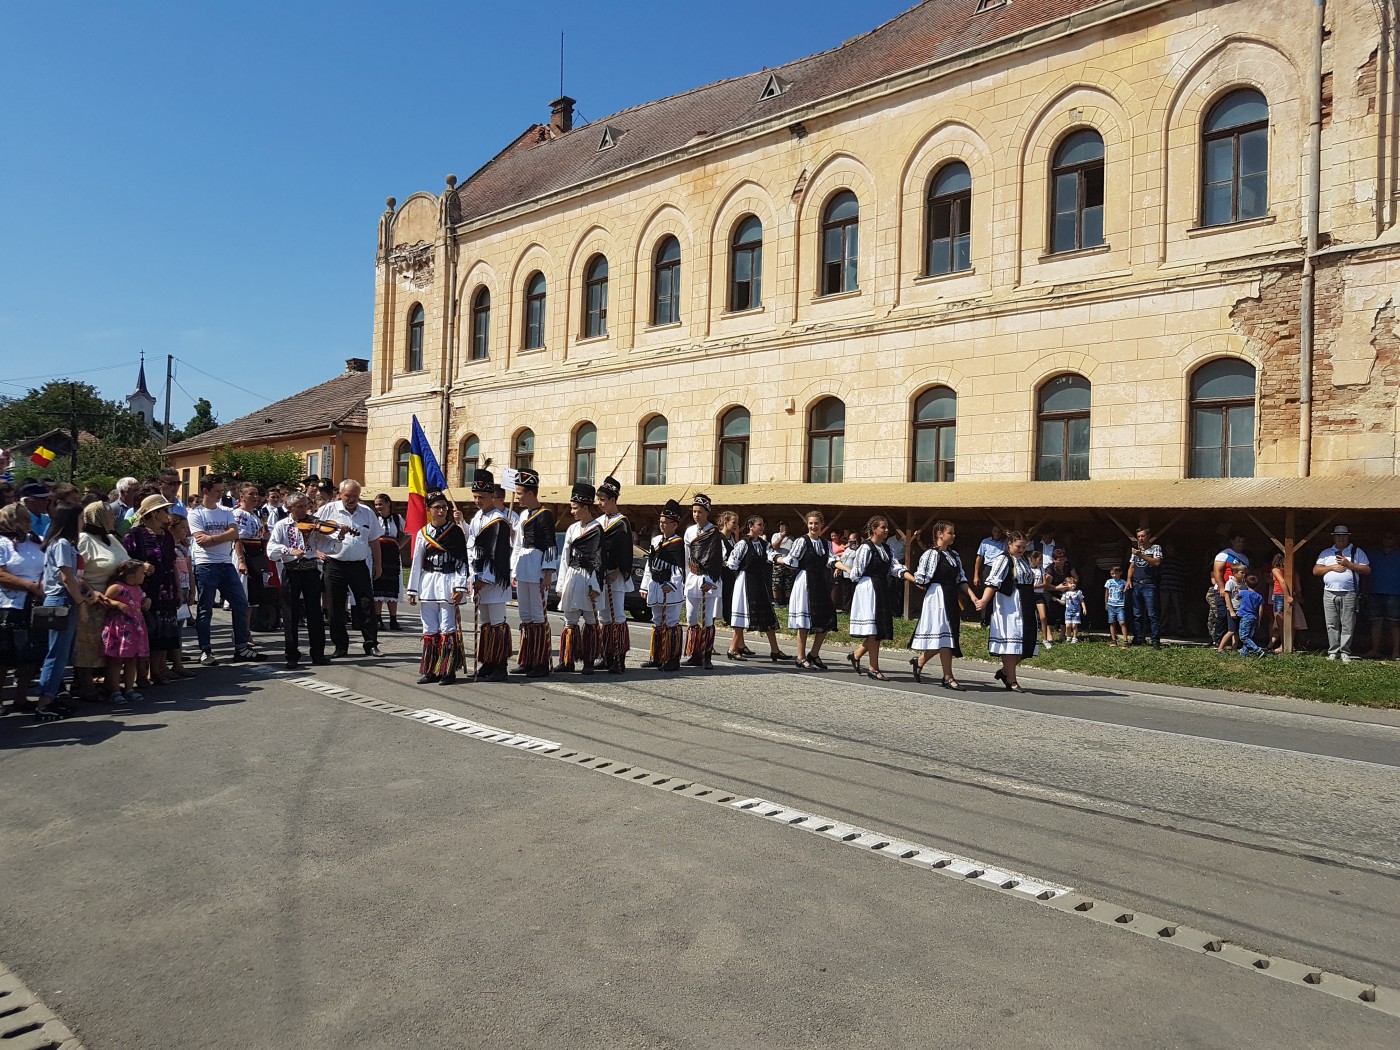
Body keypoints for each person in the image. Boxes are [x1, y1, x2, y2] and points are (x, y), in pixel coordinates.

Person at [188, 476, 263, 665]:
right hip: (205, 565)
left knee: (241, 604)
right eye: (217, 491)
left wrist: (212, 538)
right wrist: (224, 536)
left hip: (226, 563)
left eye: (222, 491)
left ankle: (241, 647)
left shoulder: (227, 511)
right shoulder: (196, 514)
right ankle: (205, 650)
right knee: (205, 609)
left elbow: (234, 534)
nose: (221, 494)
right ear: (206, 491)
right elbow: (201, 541)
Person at [35, 505, 101, 721]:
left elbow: (74, 577)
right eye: (80, 518)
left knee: (63, 653)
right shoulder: (62, 543)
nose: (83, 522)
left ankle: (51, 696)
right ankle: (44, 702)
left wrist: (87, 592)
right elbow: (66, 577)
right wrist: (81, 603)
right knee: (57, 653)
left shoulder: (65, 544)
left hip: (67, 598)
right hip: (62, 600)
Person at [267, 493, 346, 670]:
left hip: (311, 571)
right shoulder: (282, 525)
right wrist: (289, 551)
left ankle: (318, 654)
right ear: (290, 508)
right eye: (300, 506)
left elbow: (330, 547)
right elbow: (271, 550)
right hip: (291, 571)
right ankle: (291, 655)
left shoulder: (315, 525)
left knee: (315, 613)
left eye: (306, 506)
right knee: (290, 614)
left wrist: (340, 536)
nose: (305, 510)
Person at [404, 492, 468, 684]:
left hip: (449, 581)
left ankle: (447, 670)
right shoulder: (423, 534)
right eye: (437, 507)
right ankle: (431, 669)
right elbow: (417, 562)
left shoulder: (455, 532)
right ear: (429, 510)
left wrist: (460, 586)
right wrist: (412, 590)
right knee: (429, 627)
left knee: (447, 627)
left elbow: (462, 561)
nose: (441, 511)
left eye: (444, 507)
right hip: (429, 583)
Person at [843, 515, 915, 681]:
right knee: (874, 630)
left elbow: (895, 568)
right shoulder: (866, 548)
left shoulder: (887, 549)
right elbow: (856, 573)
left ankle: (856, 655)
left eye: (887, 527)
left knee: (877, 629)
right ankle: (873, 668)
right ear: (874, 529)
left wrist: (913, 579)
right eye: (883, 527)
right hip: (868, 589)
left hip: (881, 588)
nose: (886, 530)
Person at [319, 480, 384, 658]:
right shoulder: (328, 509)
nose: (351, 499)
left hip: (358, 565)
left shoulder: (367, 512)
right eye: (348, 495)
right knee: (336, 607)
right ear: (340, 494)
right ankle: (340, 646)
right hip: (335, 565)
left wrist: (378, 564)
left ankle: (371, 644)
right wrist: (318, 551)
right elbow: (315, 531)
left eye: (355, 496)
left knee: (366, 605)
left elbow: (374, 540)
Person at [124, 494, 186, 682]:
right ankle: (143, 674)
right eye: (163, 510)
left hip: (167, 587)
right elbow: (126, 562)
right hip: (147, 588)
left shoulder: (166, 535)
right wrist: (141, 566)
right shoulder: (135, 535)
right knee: (150, 631)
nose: (167, 513)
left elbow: (172, 563)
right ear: (153, 513)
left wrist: (179, 589)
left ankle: (158, 670)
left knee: (166, 632)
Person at [74, 502, 132, 698]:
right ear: (97, 517)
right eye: (109, 515)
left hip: (114, 600)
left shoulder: (111, 539)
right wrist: (90, 593)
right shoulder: (84, 540)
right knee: (87, 644)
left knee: (107, 644)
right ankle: (85, 687)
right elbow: (76, 572)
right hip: (93, 599)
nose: (113, 518)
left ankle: (108, 683)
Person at [910, 520, 975, 689]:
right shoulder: (931, 554)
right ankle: (946, 676)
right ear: (940, 534)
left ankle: (941, 672)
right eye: (950, 533)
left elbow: (961, 579)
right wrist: (922, 581)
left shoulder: (954, 555)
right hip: (937, 596)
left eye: (953, 533)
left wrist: (973, 596)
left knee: (948, 636)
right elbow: (921, 578)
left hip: (950, 595)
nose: (953, 536)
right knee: (943, 635)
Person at [975, 531, 1037, 692]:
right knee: (1011, 642)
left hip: (1025, 603)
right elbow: (993, 581)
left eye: (1024, 547)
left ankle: (1004, 672)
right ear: (1009, 544)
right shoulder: (1003, 559)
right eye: (1018, 546)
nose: (1021, 549)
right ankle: (1012, 680)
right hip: (1009, 604)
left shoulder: (1024, 559)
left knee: (1024, 643)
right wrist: (984, 600)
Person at [509, 469, 557, 678]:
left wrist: (548, 573)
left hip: (537, 566)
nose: (517, 497)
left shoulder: (545, 514)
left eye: (520, 493)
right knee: (525, 615)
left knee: (538, 615)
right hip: (523, 567)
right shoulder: (522, 515)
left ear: (530, 493)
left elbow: (551, 545)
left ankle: (541, 662)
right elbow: (518, 545)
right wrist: (514, 570)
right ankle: (527, 658)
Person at [468, 469, 514, 682]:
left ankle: (500, 664)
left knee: (496, 622)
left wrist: (484, 578)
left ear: (491, 497)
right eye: (475, 497)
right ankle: (488, 660)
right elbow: (471, 548)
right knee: (485, 622)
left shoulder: (498, 520)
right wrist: (472, 576)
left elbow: (497, 554)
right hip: (478, 577)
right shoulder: (477, 517)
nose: (478, 501)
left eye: (482, 497)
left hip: (494, 580)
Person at [724, 515, 789, 662]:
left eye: (762, 525)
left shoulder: (763, 544)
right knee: (743, 614)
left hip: (759, 581)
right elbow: (733, 563)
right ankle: (732, 649)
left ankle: (775, 650)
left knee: (767, 614)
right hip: (745, 582)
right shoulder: (743, 543)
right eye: (759, 525)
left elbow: (772, 555)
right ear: (751, 526)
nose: (762, 527)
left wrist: (784, 560)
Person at [0, 504, 45, 712]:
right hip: (8, 605)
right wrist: (30, 586)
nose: (28, 521)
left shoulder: (36, 541)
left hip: (35, 604)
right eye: (22, 518)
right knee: (4, 656)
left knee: (30, 654)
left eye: (28, 517)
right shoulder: (2, 543)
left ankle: (21, 697)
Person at [555, 483, 603, 674]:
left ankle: (589, 660)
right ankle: (567, 659)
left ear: (585, 507)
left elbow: (599, 560)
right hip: (573, 576)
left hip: (589, 578)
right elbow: (565, 559)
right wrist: (561, 584)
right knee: (570, 619)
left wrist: (595, 586)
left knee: (590, 618)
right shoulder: (572, 529)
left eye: (575, 508)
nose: (572, 511)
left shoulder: (597, 529)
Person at [782, 510, 837, 671]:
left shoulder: (826, 544)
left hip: (820, 581)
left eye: (816, 523)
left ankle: (813, 654)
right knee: (804, 622)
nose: (813, 526)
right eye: (811, 523)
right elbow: (791, 560)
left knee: (828, 618)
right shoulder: (802, 541)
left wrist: (847, 568)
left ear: (822, 525)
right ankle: (800, 657)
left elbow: (833, 560)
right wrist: (778, 559)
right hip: (805, 581)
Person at [641, 501, 686, 672]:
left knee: (671, 622)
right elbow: (650, 564)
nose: (662, 525)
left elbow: (680, 567)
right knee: (657, 620)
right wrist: (645, 586)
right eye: (661, 522)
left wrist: (672, 584)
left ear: (675, 525)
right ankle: (657, 656)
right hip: (655, 585)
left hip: (669, 587)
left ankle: (672, 658)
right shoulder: (655, 540)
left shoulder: (678, 543)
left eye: (666, 523)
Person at [1314, 525, 1370, 663]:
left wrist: (1348, 564)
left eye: (1344, 535)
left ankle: (1345, 652)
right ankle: (1333, 651)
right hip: (1329, 592)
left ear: (1348, 537)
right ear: (1334, 537)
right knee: (1331, 623)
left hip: (1349, 592)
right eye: (1338, 535)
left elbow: (1367, 570)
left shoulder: (1356, 552)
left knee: (1347, 623)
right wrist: (1332, 567)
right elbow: (1316, 570)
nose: (1341, 538)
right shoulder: (1326, 553)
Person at [596, 476, 634, 674]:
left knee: (617, 614)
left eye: (603, 499)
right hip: (601, 576)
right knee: (603, 615)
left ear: (613, 499)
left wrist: (618, 572)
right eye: (599, 499)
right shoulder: (598, 522)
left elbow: (626, 552)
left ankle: (619, 658)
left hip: (615, 577)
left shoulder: (622, 523)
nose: (599, 503)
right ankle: (606, 655)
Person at [683, 494, 724, 670]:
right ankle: (695, 653)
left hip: (708, 579)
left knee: (707, 620)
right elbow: (687, 557)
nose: (696, 515)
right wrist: (685, 578)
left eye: (700, 511)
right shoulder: (689, 531)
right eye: (694, 511)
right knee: (691, 617)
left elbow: (716, 558)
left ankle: (707, 656)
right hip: (693, 577)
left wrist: (710, 579)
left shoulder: (714, 533)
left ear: (707, 512)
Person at [102, 560, 151, 702]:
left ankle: (129, 688)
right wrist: (116, 603)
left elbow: (142, 599)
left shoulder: (138, 588)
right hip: (119, 627)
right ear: (130, 576)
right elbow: (104, 600)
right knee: (116, 660)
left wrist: (147, 601)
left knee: (132, 659)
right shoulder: (117, 587)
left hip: (134, 628)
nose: (144, 576)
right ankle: (115, 691)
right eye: (142, 573)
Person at [235, 483, 273, 637]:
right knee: (243, 595)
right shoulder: (239, 514)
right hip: (246, 554)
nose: (255, 497)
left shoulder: (256, 515)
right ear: (242, 497)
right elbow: (238, 539)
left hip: (256, 556)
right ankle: (240, 631)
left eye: (256, 494)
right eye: (251, 494)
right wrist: (241, 560)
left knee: (252, 597)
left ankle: (246, 631)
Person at [371, 492, 406, 632]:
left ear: (388, 503)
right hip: (378, 554)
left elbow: (408, 533)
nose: (378, 507)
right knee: (378, 585)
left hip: (392, 555)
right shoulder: (373, 518)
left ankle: (393, 619)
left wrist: (399, 545)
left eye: (380, 504)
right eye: (376, 505)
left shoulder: (397, 519)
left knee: (392, 586)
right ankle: (378, 619)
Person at [1126, 527, 1162, 649]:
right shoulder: (1137, 550)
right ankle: (1138, 638)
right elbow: (1132, 566)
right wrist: (1128, 580)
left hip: (1149, 584)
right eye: (1138, 537)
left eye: (1142, 536)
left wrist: (1140, 554)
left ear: (1148, 536)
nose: (1140, 539)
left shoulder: (1155, 548)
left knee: (1152, 614)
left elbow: (1157, 562)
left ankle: (1155, 640)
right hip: (1136, 584)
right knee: (1137, 614)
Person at [1211, 534, 1249, 647]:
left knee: (1236, 616)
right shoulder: (1224, 554)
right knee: (1222, 614)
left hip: (1237, 593)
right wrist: (1222, 587)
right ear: (1232, 541)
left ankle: (1235, 642)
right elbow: (1217, 571)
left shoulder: (1245, 559)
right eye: (1238, 541)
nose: (1240, 543)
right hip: (1224, 590)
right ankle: (1218, 640)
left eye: (1242, 541)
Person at [1367, 530, 1400, 660]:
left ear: (1396, 539)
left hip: (1395, 593)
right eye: (1385, 537)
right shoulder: (1373, 554)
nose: (1388, 540)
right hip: (1375, 591)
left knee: (1394, 623)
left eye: (1390, 537)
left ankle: (1396, 652)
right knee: (1376, 622)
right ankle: (1375, 650)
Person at [973, 525, 1007, 628]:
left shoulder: (1005, 542)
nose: (997, 533)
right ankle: (984, 620)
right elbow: (979, 558)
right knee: (986, 594)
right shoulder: (985, 542)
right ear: (992, 531)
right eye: (995, 531)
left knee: (1000, 593)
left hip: (1002, 567)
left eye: (999, 531)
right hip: (989, 567)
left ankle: (998, 619)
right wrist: (976, 575)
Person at [1157, 543, 1189, 636]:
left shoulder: (1181, 560)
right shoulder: (1163, 561)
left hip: (1177, 588)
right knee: (1164, 610)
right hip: (1164, 588)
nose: (1168, 550)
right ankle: (1163, 629)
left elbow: (1187, 573)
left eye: (1170, 548)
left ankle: (1181, 630)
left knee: (1179, 610)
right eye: (1167, 548)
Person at [1234, 571, 1267, 657]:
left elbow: (1236, 597)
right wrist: (1259, 620)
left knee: (1244, 637)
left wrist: (1237, 591)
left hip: (1245, 617)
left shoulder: (1244, 593)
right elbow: (1261, 610)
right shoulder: (1259, 596)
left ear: (1246, 583)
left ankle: (1258, 650)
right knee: (1249, 636)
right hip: (1254, 617)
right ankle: (1243, 653)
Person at [1268, 553, 1295, 654]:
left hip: (1279, 595)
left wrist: (1287, 596)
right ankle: (1285, 645)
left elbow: (1282, 581)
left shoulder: (1275, 570)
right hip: (1282, 594)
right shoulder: (1287, 570)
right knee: (1286, 622)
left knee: (1280, 622)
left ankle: (1284, 647)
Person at [769, 521, 794, 604]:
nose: (783, 527)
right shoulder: (775, 535)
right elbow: (774, 546)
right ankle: (777, 602)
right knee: (776, 583)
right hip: (778, 563)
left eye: (785, 526)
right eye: (781, 526)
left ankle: (787, 602)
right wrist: (781, 537)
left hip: (788, 564)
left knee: (788, 584)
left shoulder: (791, 538)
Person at [1217, 570, 1242, 653]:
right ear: (1235, 573)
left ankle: (1234, 648)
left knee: (1236, 631)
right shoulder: (1230, 583)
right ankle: (1220, 648)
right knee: (1231, 630)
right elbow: (1227, 596)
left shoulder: (1244, 583)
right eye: (1242, 572)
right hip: (1232, 609)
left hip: (1240, 609)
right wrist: (1231, 611)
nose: (1244, 574)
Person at [1104, 565, 1129, 648]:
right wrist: (1106, 603)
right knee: (1112, 622)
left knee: (1122, 622)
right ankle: (1113, 640)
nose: (1114, 575)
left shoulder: (1124, 582)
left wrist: (1125, 603)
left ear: (1120, 573)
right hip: (1111, 605)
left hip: (1120, 605)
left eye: (1116, 573)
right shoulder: (1109, 582)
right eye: (1112, 574)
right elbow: (1106, 593)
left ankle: (1125, 641)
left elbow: (1126, 594)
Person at [1058, 576, 1085, 643]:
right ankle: (1068, 637)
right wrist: (1056, 600)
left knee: (1074, 625)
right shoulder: (1065, 593)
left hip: (1076, 612)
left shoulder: (1078, 592)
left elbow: (1081, 600)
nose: (1073, 584)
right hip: (1068, 612)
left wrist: (1084, 608)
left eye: (1074, 583)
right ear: (1066, 585)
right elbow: (1063, 602)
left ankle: (1075, 637)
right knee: (1068, 625)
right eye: (1071, 583)